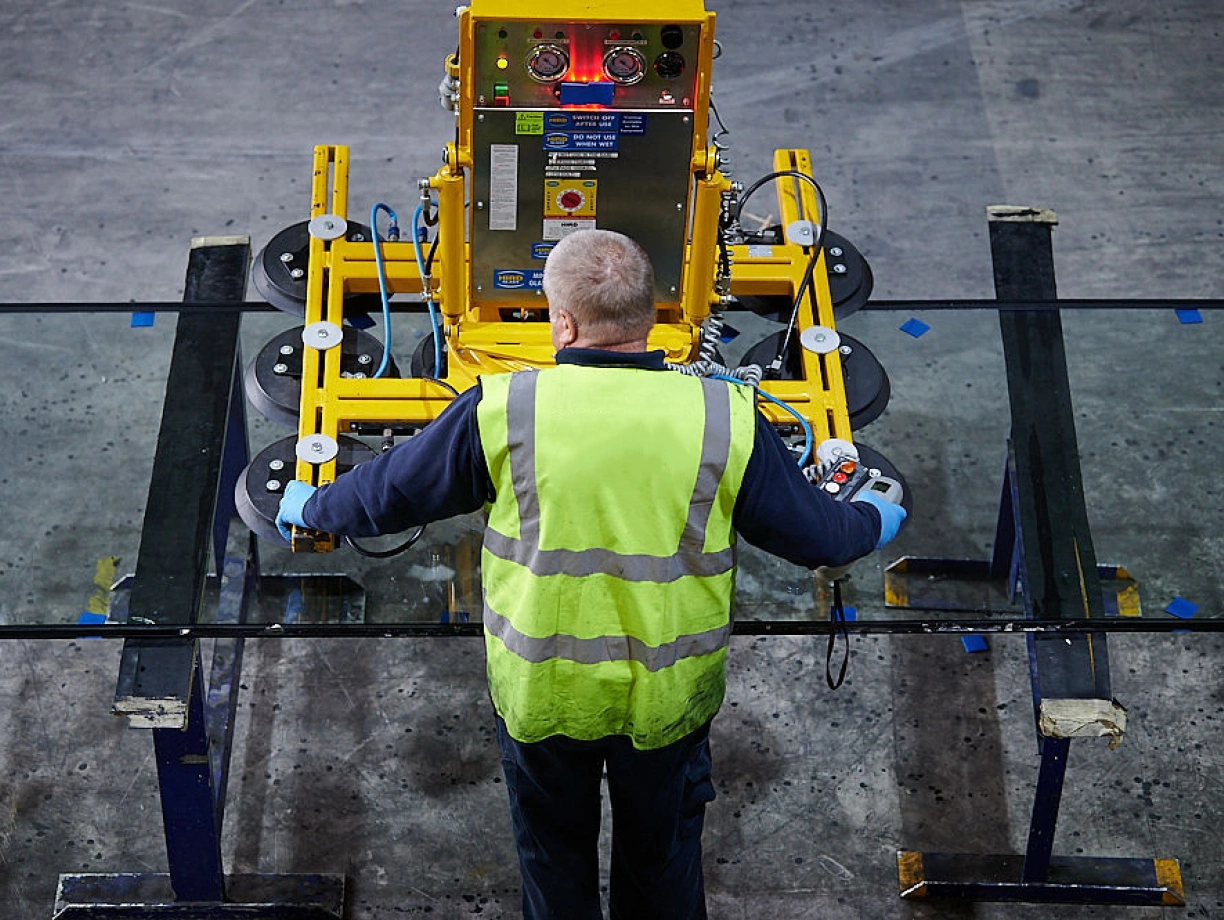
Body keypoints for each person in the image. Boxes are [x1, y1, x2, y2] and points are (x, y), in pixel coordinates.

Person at [277, 229, 905, 919]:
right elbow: (822, 538)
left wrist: (314, 507)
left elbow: (388, 494)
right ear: (655, 313)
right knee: (661, 859)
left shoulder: (504, 408)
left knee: (553, 854)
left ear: (563, 322)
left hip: (543, 691)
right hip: (669, 694)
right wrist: (875, 514)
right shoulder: (725, 416)